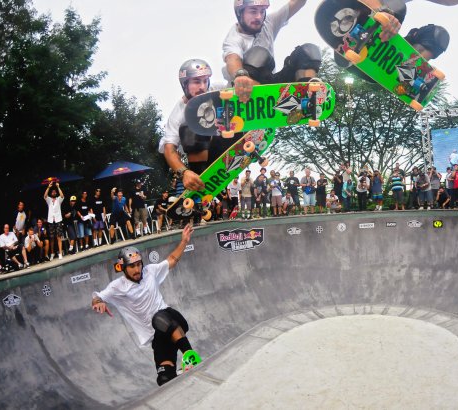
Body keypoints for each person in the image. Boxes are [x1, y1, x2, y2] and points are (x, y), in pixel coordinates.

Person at [91, 224, 201, 386]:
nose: (137, 269)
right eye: (132, 266)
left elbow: (171, 260)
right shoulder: (117, 286)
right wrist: (98, 303)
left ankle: (190, 356)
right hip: (157, 337)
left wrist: (184, 241)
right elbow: (97, 296)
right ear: (123, 268)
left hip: (172, 320)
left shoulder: (150, 271)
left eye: (138, 264)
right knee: (164, 380)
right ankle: (177, 373)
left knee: (159, 318)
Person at [222, 0, 322, 103]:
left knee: (308, 51)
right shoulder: (233, 38)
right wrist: (240, 75)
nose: (259, 17)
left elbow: (297, 3)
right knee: (259, 55)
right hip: (245, 91)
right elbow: (232, 59)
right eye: (253, 11)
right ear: (240, 13)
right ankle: (256, 102)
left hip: (271, 85)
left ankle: (308, 98)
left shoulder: (268, 23)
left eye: (262, 11)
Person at [158, 59, 215, 192]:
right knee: (189, 128)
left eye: (205, 81)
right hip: (200, 157)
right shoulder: (178, 114)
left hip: (224, 142)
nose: (202, 87)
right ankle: (199, 176)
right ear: (185, 85)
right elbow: (169, 149)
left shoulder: (216, 90)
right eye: (196, 81)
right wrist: (184, 172)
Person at [43, 182, 64, 260]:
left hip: (58, 220)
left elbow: (62, 196)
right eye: (53, 192)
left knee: (59, 237)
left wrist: (58, 187)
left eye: (55, 192)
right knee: (52, 238)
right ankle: (52, 253)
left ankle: (60, 253)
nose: (54, 193)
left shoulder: (58, 199)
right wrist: (48, 187)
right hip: (51, 221)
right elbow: (45, 196)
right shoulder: (49, 200)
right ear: (51, 193)